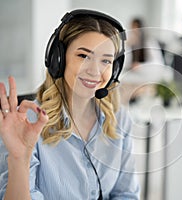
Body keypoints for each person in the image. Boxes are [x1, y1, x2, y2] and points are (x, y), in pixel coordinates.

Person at [0, 9, 140, 200]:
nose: (94, 71)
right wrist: (19, 159)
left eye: (106, 60)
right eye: (83, 56)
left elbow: (127, 194)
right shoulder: (26, 123)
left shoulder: (119, 119)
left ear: (114, 69)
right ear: (58, 58)